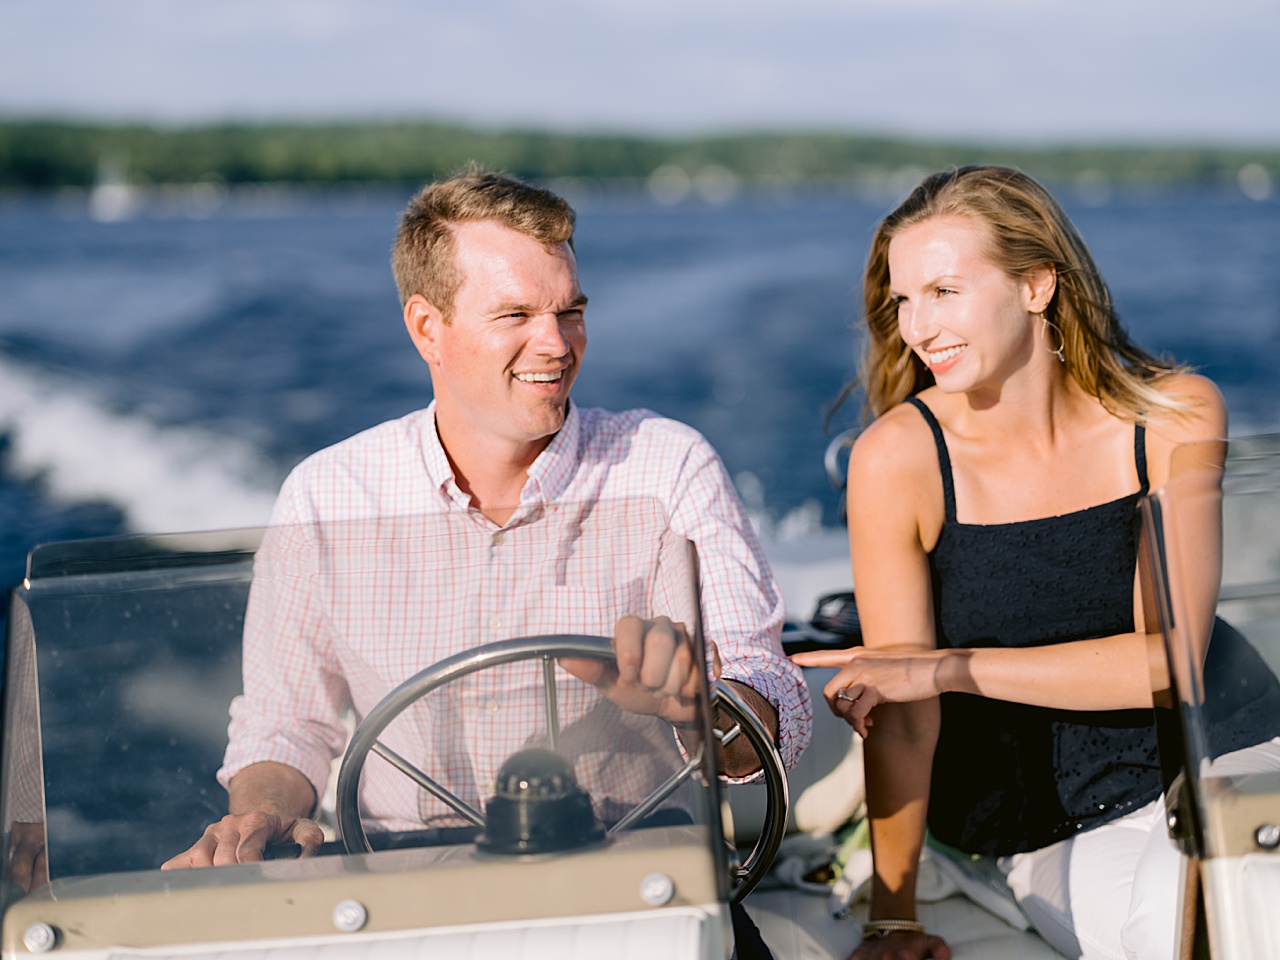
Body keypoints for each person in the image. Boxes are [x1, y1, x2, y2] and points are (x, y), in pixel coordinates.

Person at [161, 167, 810, 916]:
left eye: (570, 311)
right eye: (517, 314)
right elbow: (286, 723)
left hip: (636, 878)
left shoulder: (667, 467)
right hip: (405, 887)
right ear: (427, 329)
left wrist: (699, 707)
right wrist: (262, 815)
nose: (557, 344)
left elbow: (764, 688)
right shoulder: (326, 496)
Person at [792, 165, 1280, 960]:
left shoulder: (1173, 415)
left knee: (1259, 897)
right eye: (904, 300)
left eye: (944, 292)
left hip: (1231, 744)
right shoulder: (899, 459)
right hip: (1043, 820)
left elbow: (1170, 664)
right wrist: (892, 917)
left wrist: (945, 668)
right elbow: (905, 715)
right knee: (1187, 923)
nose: (917, 328)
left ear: (1037, 285)